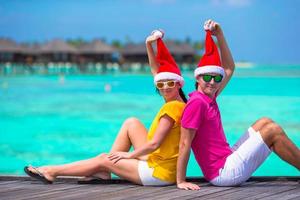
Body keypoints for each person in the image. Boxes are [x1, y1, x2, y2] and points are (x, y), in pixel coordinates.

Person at [24, 30, 187, 186]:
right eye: (160, 84)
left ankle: (51, 171)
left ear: (179, 84)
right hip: (161, 162)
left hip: (157, 173)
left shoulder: (172, 108)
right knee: (132, 123)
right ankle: (104, 171)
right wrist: (148, 45)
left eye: (170, 83)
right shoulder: (177, 101)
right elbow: (156, 71)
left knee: (103, 158)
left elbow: (154, 144)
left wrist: (129, 154)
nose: (164, 87)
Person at [176, 19, 300, 190]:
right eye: (207, 77)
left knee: (264, 122)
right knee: (273, 131)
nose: (212, 81)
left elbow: (229, 68)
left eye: (216, 77)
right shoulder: (197, 103)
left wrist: (219, 35)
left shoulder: (209, 95)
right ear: (197, 78)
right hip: (223, 173)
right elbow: (184, 143)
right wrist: (180, 181)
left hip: (227, 158)